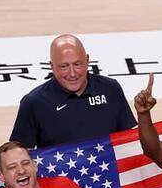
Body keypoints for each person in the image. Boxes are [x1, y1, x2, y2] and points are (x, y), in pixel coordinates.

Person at [10, 34, 138, 149]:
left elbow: (129, 140)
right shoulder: (33, 102)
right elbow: (19, 153)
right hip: (60, 175)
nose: (72, 73)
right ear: (52, 66)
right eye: (64, 66)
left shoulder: (110, 89)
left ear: (87, 61)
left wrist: (144, 115)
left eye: (77, 64)